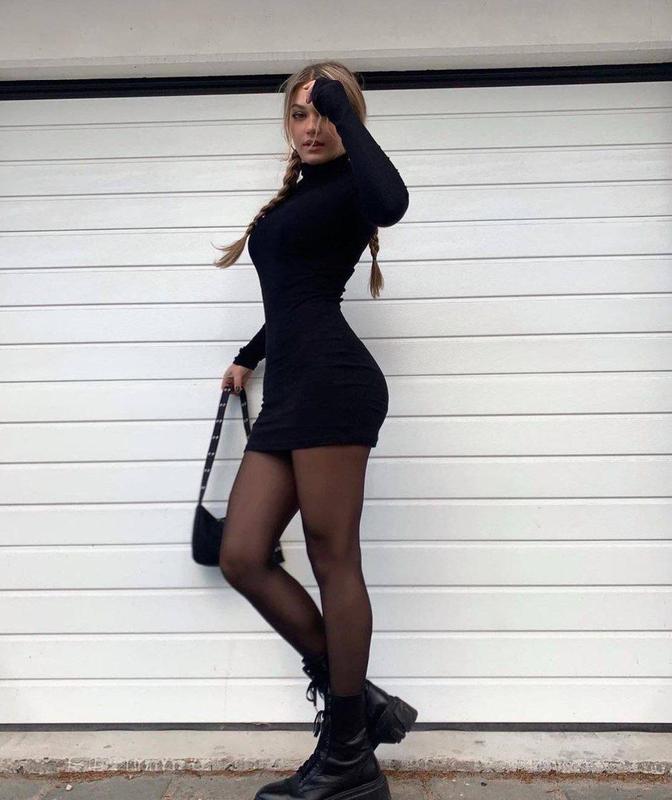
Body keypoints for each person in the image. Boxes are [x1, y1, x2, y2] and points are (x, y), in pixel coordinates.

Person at [215, 61, 416, 800]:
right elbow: (294, 297)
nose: (311, 126)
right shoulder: (302, 194)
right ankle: (359, 703)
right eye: (299, 114)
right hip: (293, 387)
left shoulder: (357, 186)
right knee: (242, 555)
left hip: (334, 386)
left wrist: (343, 106)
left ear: (347, 118)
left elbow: (394, 203)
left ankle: (347, 757)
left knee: (334, 560)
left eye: (324, 111)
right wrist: (248, 356)